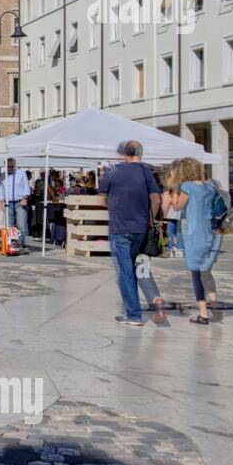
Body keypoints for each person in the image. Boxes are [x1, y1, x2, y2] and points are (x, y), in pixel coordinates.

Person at [99, 140, 161, 327]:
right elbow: (156, 199)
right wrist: (150, 218)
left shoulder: (113, 171)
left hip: (119, 227)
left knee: (125, 271)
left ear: (123, 154)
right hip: (140, 227)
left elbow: (102, 198)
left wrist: (115, 207)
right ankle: (137, 308)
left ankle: (133, 314)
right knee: (133, 268)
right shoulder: (146, 171)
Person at [166, 157, 223, 325]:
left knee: (196, 273)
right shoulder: (210, 186)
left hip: (194, 233)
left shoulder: (187, 187)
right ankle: (214, 305)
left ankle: (203, 313)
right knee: (206, 271)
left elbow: (176, 206)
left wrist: (173, 188)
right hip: (212, 233)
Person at [0, 158, 31, 250]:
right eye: (8, 166)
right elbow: (1, 188)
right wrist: (1, 201)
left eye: (12, 166)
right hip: (8, 202)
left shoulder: (21, 173)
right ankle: (10, 244)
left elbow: (26, 186)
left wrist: (25, 198)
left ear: (15, 165)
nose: (10, 168)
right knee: (9, 225)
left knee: (21, 224)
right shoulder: (3, 175)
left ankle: (22, 243)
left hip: (19, 201)